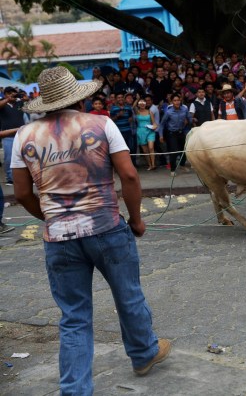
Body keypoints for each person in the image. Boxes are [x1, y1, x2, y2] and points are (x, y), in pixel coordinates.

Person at [11, 67, 170, 395]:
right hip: (107, 228)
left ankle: (74, 390)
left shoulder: (24, 137)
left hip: (60, 238)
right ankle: (143, 354)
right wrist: (136, 219)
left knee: (74, 316)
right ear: (79, 97)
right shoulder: (102, 124)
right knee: (128, 295)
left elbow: (23, 193)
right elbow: (129, 176)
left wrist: (50, 217)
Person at [159, 94, 191, 176]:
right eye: (175, 100)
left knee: (184, 150)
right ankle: (173, 169)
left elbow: (189, 119)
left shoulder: (184, 109)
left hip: (181, 132)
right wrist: (161, 135)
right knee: (174, 151)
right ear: (172, 102)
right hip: (171, 134)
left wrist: (189, 121)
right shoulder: (168, 112)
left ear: (181, 101)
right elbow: (161, 124)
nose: (177, 102)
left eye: (178, 100)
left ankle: (182, 165)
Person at [0, 87, 27, 185]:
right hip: (8, 136)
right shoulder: (3, 103)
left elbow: (28, 103)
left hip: (22, 135)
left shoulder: (19, 103)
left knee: (25, 156)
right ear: (5, 94)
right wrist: (8, 99)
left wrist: (23, 97)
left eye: (14, 93)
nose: (12, 95)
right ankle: (10, 179)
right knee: (9, 158)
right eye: (10, 93)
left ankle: (27, 177)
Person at [135, 99, 158, 171]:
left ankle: (153, 164)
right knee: (145, 150)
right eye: (140, 103)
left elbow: (154, 122)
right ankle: (150, 164)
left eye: (143, 102)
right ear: (138, 104)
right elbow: (133, 107)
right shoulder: (136, 112)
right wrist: (137, 99)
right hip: (140, 132)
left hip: (150, 130)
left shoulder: (149, 112)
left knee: (151, 147)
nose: (142, 104)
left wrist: (155, 126)